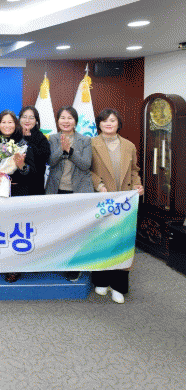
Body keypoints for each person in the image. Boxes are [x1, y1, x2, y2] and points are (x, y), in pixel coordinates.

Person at [90, 108, 144, 304]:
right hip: (103, 198)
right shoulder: (91, 143)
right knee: (102, 239)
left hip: (125, 201)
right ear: (99, 124)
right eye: (105, 121)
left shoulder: (128, 145)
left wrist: (137, 184)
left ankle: (118, 286)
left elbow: (134, 171)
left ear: (118, 123)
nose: (108, 124)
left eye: (112, 120)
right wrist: (99, 185)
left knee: (122, 242)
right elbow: (87, 170)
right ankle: (101, 281)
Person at [45, 106, 93, 282]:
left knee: (76, 230)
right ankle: (59, 261)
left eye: (70, 118)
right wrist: (62, 149)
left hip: (78, 191)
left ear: (75, 121)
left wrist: (70, 151)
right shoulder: (52, 138)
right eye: (62, 118)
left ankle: (75, 265)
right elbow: (50, 161)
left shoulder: (85, 140)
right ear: (58, 121)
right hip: (56, 190)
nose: (66, 121)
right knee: (58, 229)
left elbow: (86, 165)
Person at [0, 110, 34, 283]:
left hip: (18, 192)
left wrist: (21, 166)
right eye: (3, 122)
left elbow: (33, 171)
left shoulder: (23, 143)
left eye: (10, 122)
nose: (7, 125)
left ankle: (14, 266)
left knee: (16, 230)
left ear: (15, 124)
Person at [19, 106, 50, 195]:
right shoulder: (14, 135)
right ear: (19, 119)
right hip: (15, 187)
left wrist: (28, 140)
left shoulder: (42, 139)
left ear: (36, 121)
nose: (27, 120)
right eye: (24, 117)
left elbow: (42, 161)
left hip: (34, 187)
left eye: (31, 118)